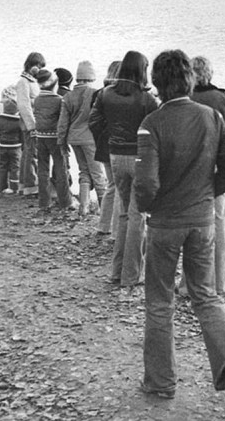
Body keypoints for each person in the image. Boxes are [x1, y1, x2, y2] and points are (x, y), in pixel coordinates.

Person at [133, 49, 225, 407]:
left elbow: (147, 185)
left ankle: (160, 383)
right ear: (190, 79)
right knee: (206, 296)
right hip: (201, 222)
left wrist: (148, 207)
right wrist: (205, 195)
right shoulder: (212, 117)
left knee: (159, 302)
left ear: (157, 83)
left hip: (166, 224)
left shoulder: (152, 124)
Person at [89, 51, 158, 291]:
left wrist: (109, 140)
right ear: (141, 70)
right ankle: (131, 275)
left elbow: (94, 121)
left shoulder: (106, 94)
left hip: (116, 154)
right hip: (138, 156)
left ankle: (115, 272)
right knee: (138, 215)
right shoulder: (146, 99)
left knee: (124, 214)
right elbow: (156, 129)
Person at [178, 55, 225, 296]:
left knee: (189, 225)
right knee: (218, 223)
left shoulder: (183, 100)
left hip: (186, 171)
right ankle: (220, 282)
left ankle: (187, 284)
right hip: (216, 170)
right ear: (210, 74)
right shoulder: (223, 99)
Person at [58, 61, 106, 217]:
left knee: (84, 171)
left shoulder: (67, 96)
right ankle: (104, 209)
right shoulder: (96, 93)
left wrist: (62, 142)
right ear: (91, 77)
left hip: (74, 139)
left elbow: (63, 123)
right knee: (98, 174)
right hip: (90, 139)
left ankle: (83, 207)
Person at [33, 69, 73, 211]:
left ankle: (44, 202)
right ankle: (65, 202)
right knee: (60, 168)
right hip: (55, 138)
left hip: (40, 137)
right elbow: (62, 122)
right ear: (54, 85)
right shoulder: (59, 101)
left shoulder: (37, 100)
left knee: (42, 169)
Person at [92, 61, 121, 236]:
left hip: (103, 144)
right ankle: (116, 229)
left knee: (111, 185)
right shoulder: (121, 95)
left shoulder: (98, 94)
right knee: (119, 187)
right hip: (118, 145)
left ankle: (103, 225)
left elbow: (93, 121)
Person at [15, 52, 45, 196]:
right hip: (29, 123)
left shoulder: (32, 81)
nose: (38, 69)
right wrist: (32, 125)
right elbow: (24, 105)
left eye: (40, 67)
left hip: (33, 122)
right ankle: (30, 185)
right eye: (36, 66)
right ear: (29, 64)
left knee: (28, 153)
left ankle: (24, 184)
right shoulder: (23, 82)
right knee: (31, 154)